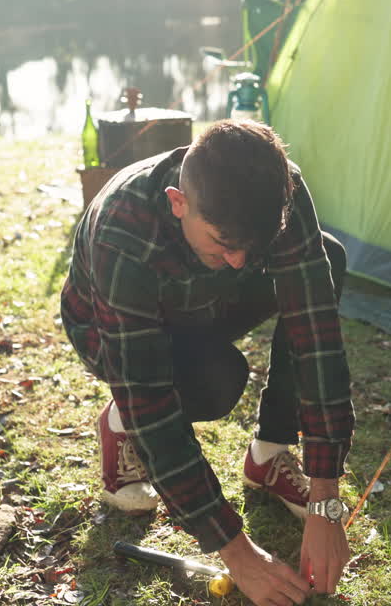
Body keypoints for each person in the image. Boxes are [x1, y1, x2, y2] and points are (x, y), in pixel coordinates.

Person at [60, 119, 354, 605]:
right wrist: (237, 553)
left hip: (204, 300)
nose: (241, 260)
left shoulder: (281, 187)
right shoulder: (123, 227)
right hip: (115, 328)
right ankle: (118, 421)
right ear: (178, 203)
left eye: (251, 247)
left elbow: (316, 333)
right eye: (224, 242)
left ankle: (268, 456)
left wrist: (327, 499)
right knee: (215, 384)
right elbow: (151, 400)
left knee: (329, 256)